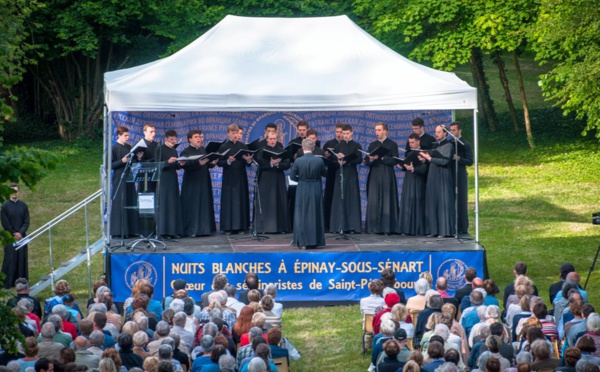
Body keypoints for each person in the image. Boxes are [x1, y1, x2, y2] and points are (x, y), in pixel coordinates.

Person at [289, 138, 327, 249]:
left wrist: (300, 180)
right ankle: (315, 241)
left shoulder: (298, 161)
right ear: (313, 148)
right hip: (315, 187)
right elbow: (324, 173)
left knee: (302, 213)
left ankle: (302, 242)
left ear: (302, 148)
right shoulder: (319, 161)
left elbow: (292, 177)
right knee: (315, 212)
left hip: (303, 188)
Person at [419, 125, 455, 238]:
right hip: (433, 175)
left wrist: (430, 158)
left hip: (443, 176)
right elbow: (433, 160)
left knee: (443, 202)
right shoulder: (435, 145)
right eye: (436, 132)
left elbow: (445, 161)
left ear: (445, 133)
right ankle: (433, 229)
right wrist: (425, 159)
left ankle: (444, 231)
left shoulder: (449, 145)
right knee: (432, 201)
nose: (436, 134)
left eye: (439, 132)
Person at [179, 130, 216, 237]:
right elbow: (185, 166)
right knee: (193, 206)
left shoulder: (203, 150)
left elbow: (207, 164)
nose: (199, 139)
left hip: (204, 181)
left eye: (200, 137)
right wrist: (198, 163)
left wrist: (212, 163)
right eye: (196, 137)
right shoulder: (185, 151)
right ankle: (192, 230)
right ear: (190, 139)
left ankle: (205, 229)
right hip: (192, 183)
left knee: (204, 204)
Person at [364, 122, 400, 235]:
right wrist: (371, 159)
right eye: (375, 130)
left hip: (386, 173)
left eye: (379, 130)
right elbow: (366, 161)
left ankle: (387, 228)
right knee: (374, 199)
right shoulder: (372, 144)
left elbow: (395, 160)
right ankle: (374, 228)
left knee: (386, 199)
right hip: (374, 173)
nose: (377, 132)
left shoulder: (392, 144)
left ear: (385, 131)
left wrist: (383, 158)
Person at [217, 124, 253, 234]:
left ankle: (241, 227)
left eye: (236, 133)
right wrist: (228, 161)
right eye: (232, 133)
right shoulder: (223, 147)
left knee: (240, 201)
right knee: (229, 202)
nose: (235, 135)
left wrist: (248, 160)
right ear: (228, 134)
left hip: (241, 176)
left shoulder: (243, 146)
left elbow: (248, 164)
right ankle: (228, 227)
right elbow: (219, 162)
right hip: (229, 177)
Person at [329, 124, 363, 234]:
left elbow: (359, 160)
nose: (345, 136)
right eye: (343, 134)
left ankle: (352, 226)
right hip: (340, 173)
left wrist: (347, 160)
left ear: (352, 133)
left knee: (351, 198)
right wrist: (338, 161)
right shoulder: (338, 146)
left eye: (347, 133)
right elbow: (333, 161)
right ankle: (338, 226)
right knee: (339, 199)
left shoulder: (356, 145)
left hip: (351, 174)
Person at [255, 132, 290, 234]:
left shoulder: (281, 150)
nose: (272, 141)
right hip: (266, 178)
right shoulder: (262, 151)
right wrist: (271, 163)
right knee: (266, 201)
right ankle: (264, 228)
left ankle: (280, 228)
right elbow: (260, 163)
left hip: (278, 178)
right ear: (267, 139)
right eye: (270, 139)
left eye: (274, 139)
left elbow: (287, 163)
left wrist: (278, 164)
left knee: (279, 201)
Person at [110, 126, 141, 239]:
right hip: (119, 176)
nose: (127, 138)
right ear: (119, 135)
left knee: (130, 200)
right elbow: (110, 165)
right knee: (120, 202)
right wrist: (121, 161)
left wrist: (138, 158)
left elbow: (133, 162)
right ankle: (119, 231)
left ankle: (131, 230)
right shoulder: (114, 148)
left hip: (129, 175)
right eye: (125, 136)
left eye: (128, 135)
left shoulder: (129, 147)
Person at [398, 133, 428, 236]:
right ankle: (407, 229)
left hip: (417, 180)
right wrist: (401, 166)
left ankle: (417, 229)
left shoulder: (423, 152)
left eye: (412, 142)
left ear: (418, 141)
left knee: (416, 202)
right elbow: (407, 165)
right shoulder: (409, 152)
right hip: (408, 179)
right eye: (409, 142)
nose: (410, 144)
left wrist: (413, 169)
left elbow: (424, 168)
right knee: (407, 202)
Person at [155, 129, 182, 239]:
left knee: (173, 204)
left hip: (172, 178)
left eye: (175, 140)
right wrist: (167, 162)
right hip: (164, 179)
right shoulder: (160, 149)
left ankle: (172, 231)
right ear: (166, 139)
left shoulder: (174, 150)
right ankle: (163, 232)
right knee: (165, 204)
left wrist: (180, 164)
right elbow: (157, 164)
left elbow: (175, 166)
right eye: (171, 140)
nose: (173, 142)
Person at [1, 183, 30, 288]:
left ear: (19, 192)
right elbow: (5, 223)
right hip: (10, 237)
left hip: (22, 236)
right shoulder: (5, 206)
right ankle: (8, 282)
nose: (15, 194)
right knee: (10, 258)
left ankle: (22, 282)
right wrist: (14, 233)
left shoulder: (23, 205)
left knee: (22, 258)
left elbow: (26, 222)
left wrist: (20, 233)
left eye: (16, 191)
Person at [449, 122, 473, 235]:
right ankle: (451, 225)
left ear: (459, 131)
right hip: (450, 174)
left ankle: (462, 227)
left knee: (461, 200)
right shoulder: (449, 143)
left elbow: (470, 161)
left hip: (461, 175)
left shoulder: (464, 144)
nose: (452, 132)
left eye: (454, 130)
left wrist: (458, 158)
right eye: (451, 130)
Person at [322, 123, 344, 230]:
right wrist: (326, 156)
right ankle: (327, 223)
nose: (339, 134)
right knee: (329, 197)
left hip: (343, 173)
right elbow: (323, 160)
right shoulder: (329, 143)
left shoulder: (346, 144)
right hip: (331, 173)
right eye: (337, 132)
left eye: (341, 132)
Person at [139, 124, 159, 192]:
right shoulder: (140, 145)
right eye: (151, 132)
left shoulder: (157, 145)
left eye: (154, 132)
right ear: (145, 132)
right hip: (144, 177)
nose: (153, 134)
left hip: (155, 175)